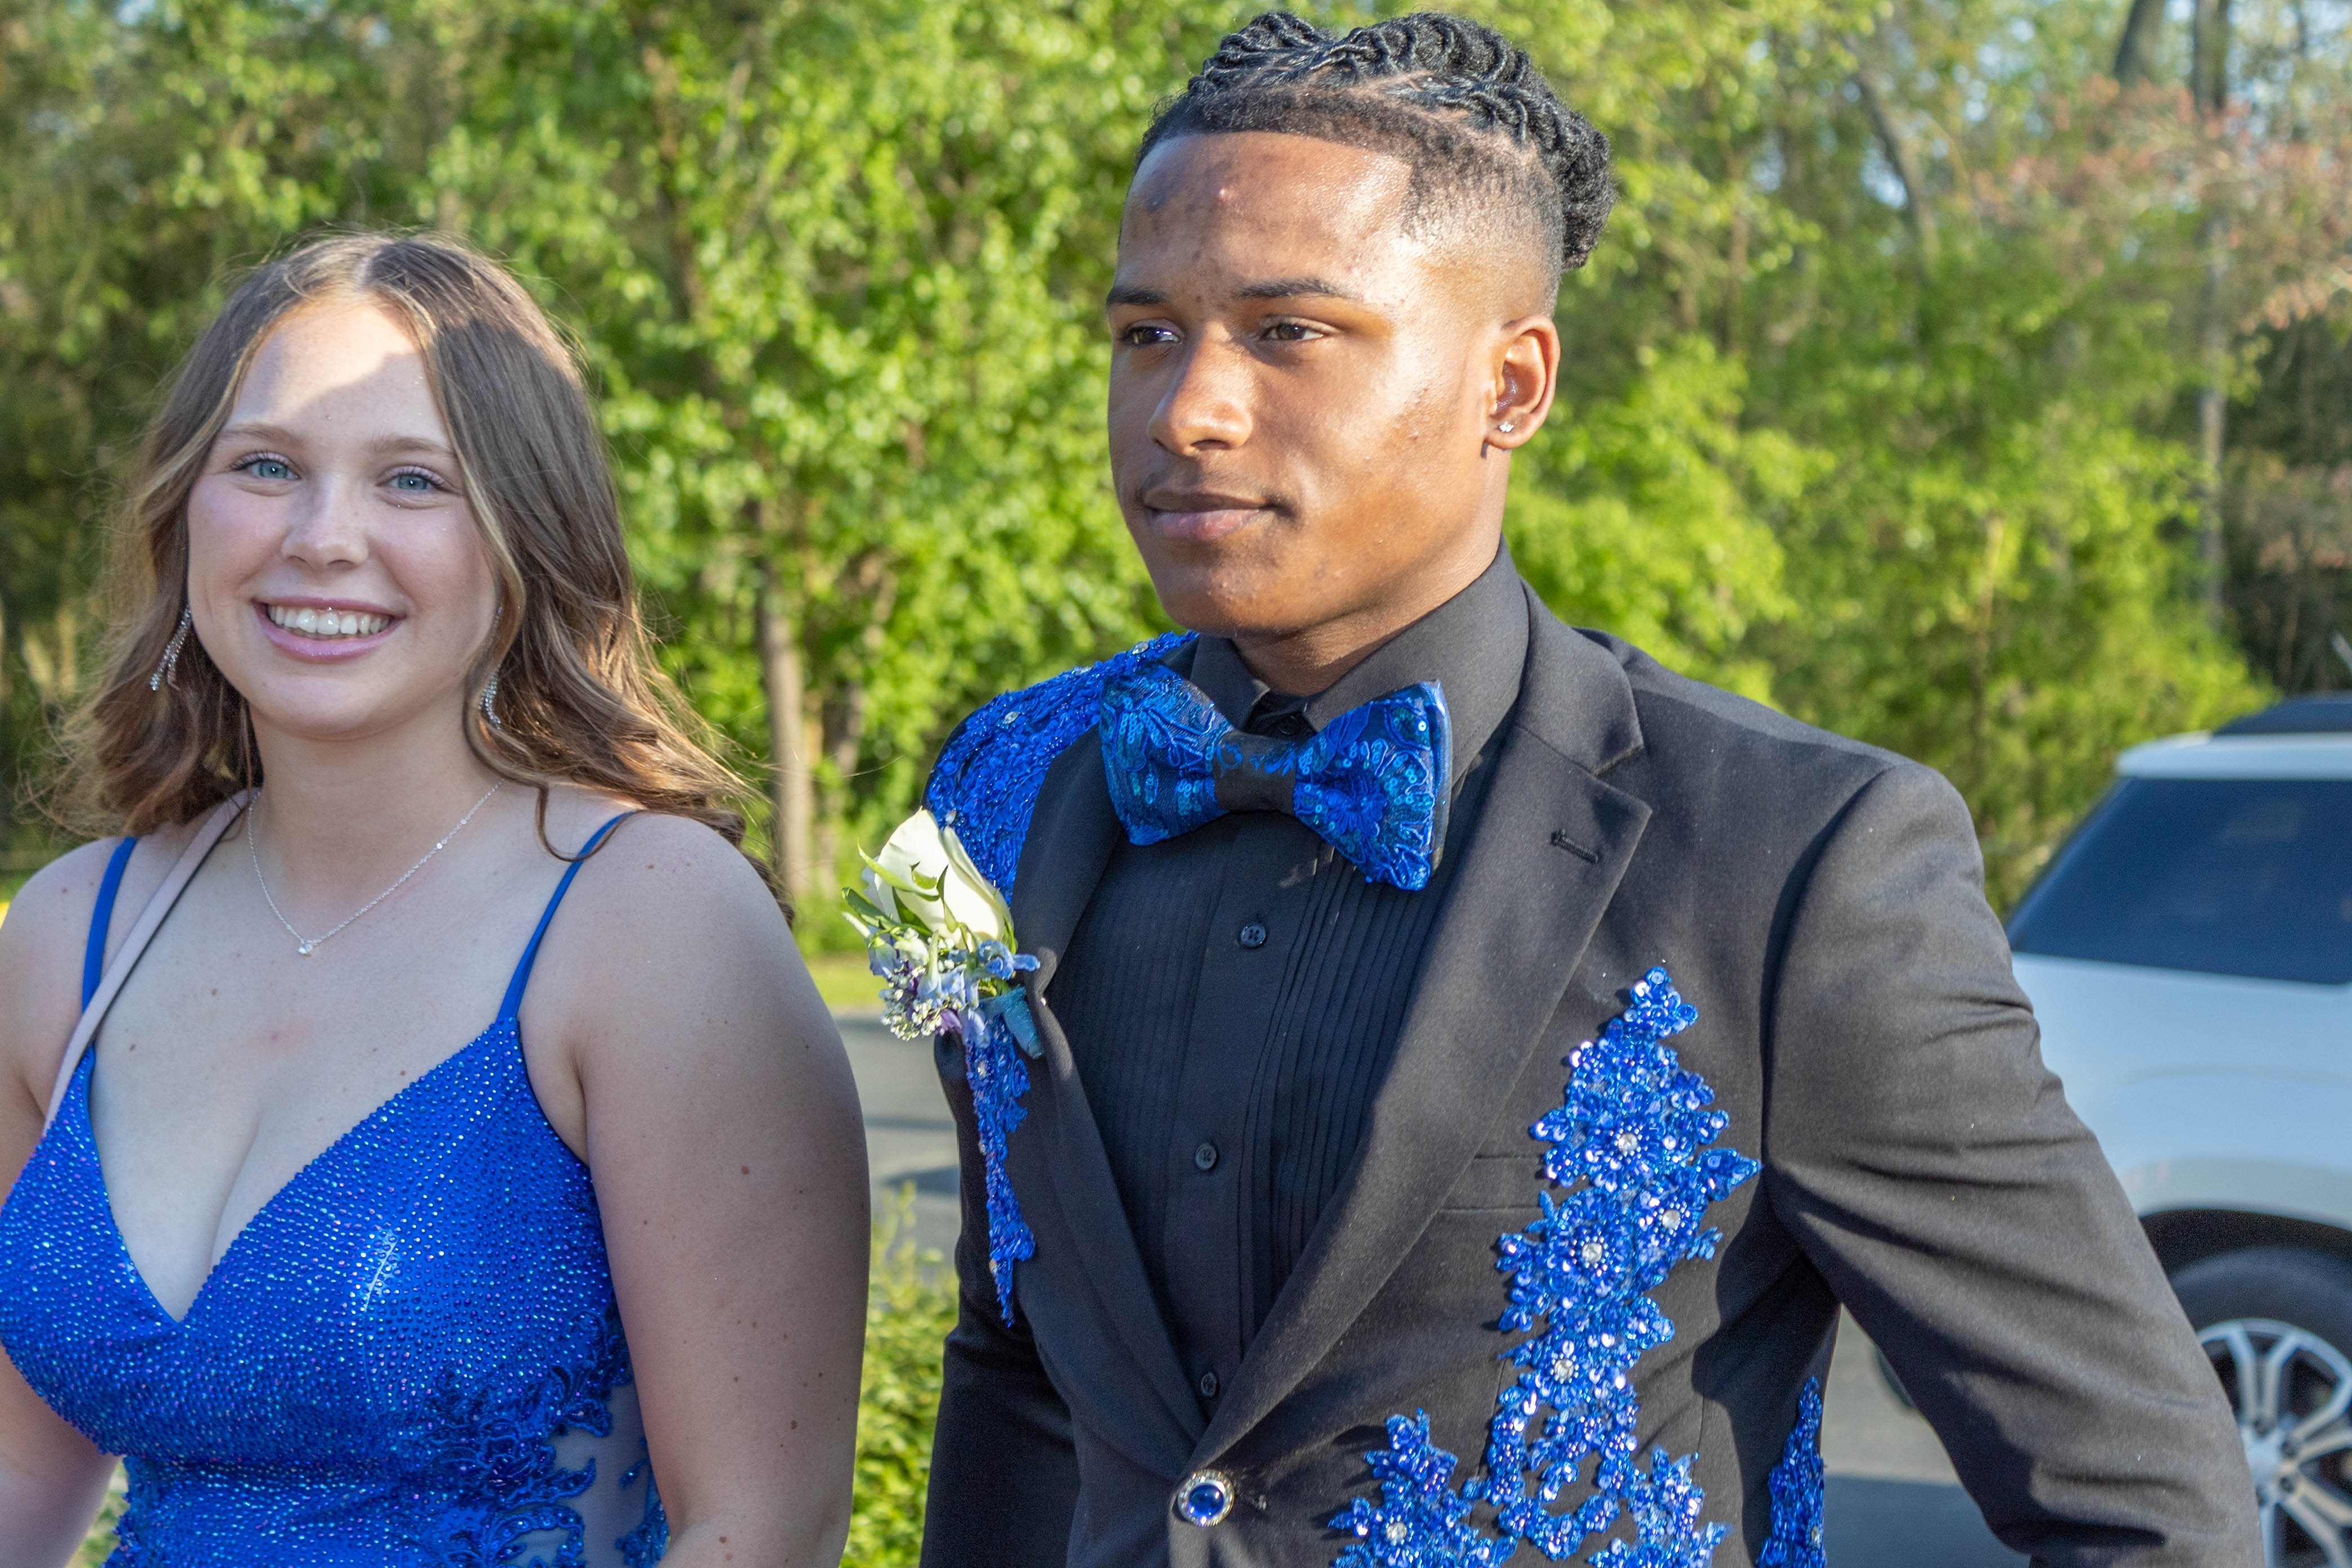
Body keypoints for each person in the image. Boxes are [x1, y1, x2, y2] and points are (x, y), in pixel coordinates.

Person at [914, 13, 2256, 1566]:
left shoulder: (1802, 861)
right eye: (1146, 334)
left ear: (1514, 384)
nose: (1187, 410)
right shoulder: (992, 788)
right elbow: (1012, 1356)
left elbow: (2147, 1506)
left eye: (1287, 332)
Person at [0, 234, 868, 1566]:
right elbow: (18, 1473)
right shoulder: (74, 937)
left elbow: (762, 1527)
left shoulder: (648, 921)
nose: (321, 538)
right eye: (266, 466)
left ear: (527, 535)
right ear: (183, 512)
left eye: (413, 480)